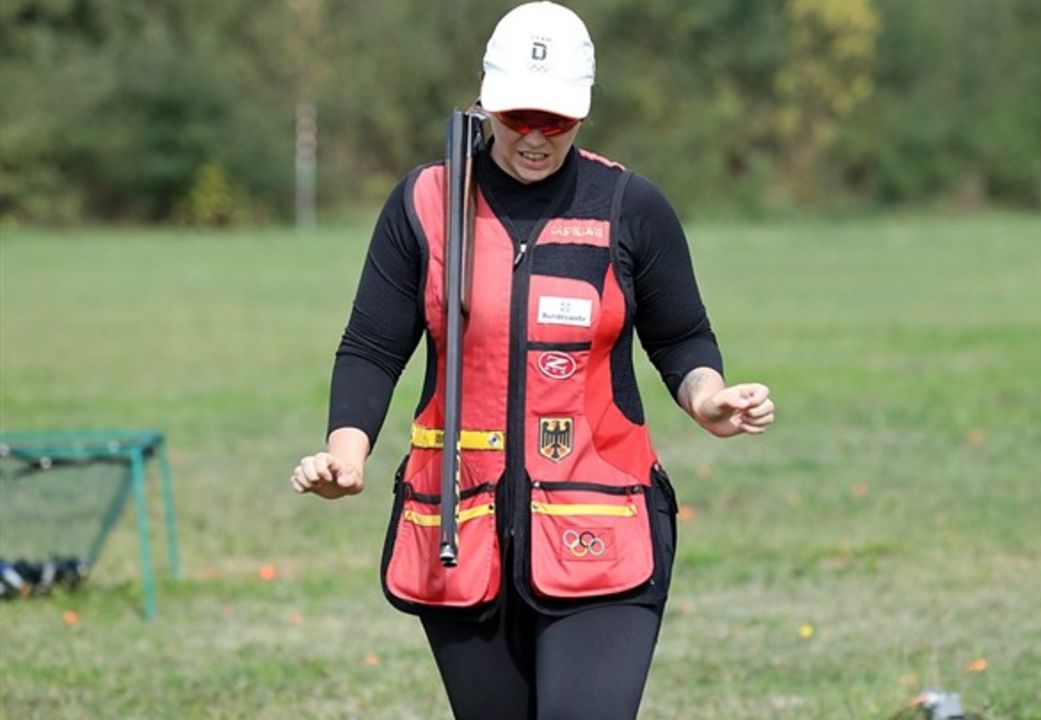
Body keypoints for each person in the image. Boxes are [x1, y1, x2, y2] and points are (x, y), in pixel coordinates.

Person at [289, 3, 774, 718]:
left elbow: (681, 339)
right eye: (519, 117)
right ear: (485, 102)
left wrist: (708, 399)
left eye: (559, 119)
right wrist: (345, 453)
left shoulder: (630, 206)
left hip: (601, 528)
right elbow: (371, 346)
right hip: (460, 533)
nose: (538, 137)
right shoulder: (424, 204)